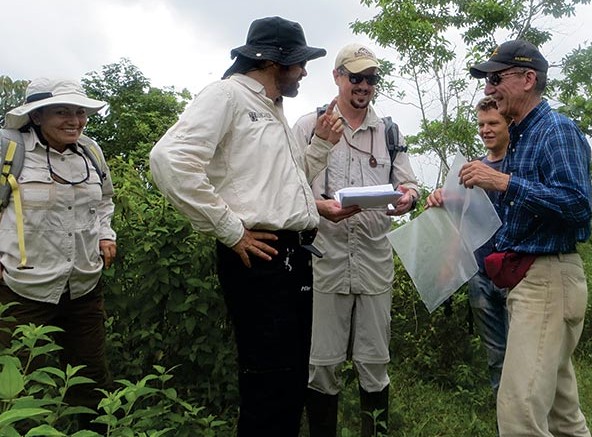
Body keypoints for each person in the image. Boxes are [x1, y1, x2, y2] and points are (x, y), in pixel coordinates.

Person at [149, 16, 328, 437]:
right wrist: (231, 230)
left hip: (292, 256)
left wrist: (321, 144)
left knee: (288, 379)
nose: (303, 71)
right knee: (269, 381)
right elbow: (169, 160)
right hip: (259, 256)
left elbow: (282, 183)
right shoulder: (227, 96)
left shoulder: (272, 109)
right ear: (273, 62)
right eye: (298, 62)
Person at [463, 39, 592, 436]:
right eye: (487, 79)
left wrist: (503, 181)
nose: (488, 87)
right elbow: (517, 212)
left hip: (548, 281)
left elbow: (577, 206)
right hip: (531, 282)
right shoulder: (520, 136)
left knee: (519, 413)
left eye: (496, 78)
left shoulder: (556, 130)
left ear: (528, 79)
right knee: (561, 414)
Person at [293, 43, 420, 437]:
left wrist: (408, 197)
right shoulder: (308, 126)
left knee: (374, 363)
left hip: (374, 265)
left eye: (371, 78)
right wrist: (320, 207)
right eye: (356, 77)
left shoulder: (389, 132)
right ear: (337, 77)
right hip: (324, 263)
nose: (364, 85)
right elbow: (286, 188)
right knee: (322, 364)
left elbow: (410, 183)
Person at [0, 78, 117, 430]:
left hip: (83, 284)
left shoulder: (92, 151)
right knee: (16, 383)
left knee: (91, 379)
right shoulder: (10, 150)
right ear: (36, 116)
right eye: (63, 111)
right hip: (23, 286)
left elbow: (105, 201)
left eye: (79, 112)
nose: (75, 120)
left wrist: (105, 236)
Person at [426, 96, 511, 397]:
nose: (485, 130)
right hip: (480, 273)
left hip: (515, 275)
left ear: (508, 123)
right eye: (481, 124)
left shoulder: (518, 164)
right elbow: (459, 215)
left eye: (493, 123)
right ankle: (506, 422)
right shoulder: (471, 169)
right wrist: (440, 197)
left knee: (525, 357)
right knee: (496, 356)